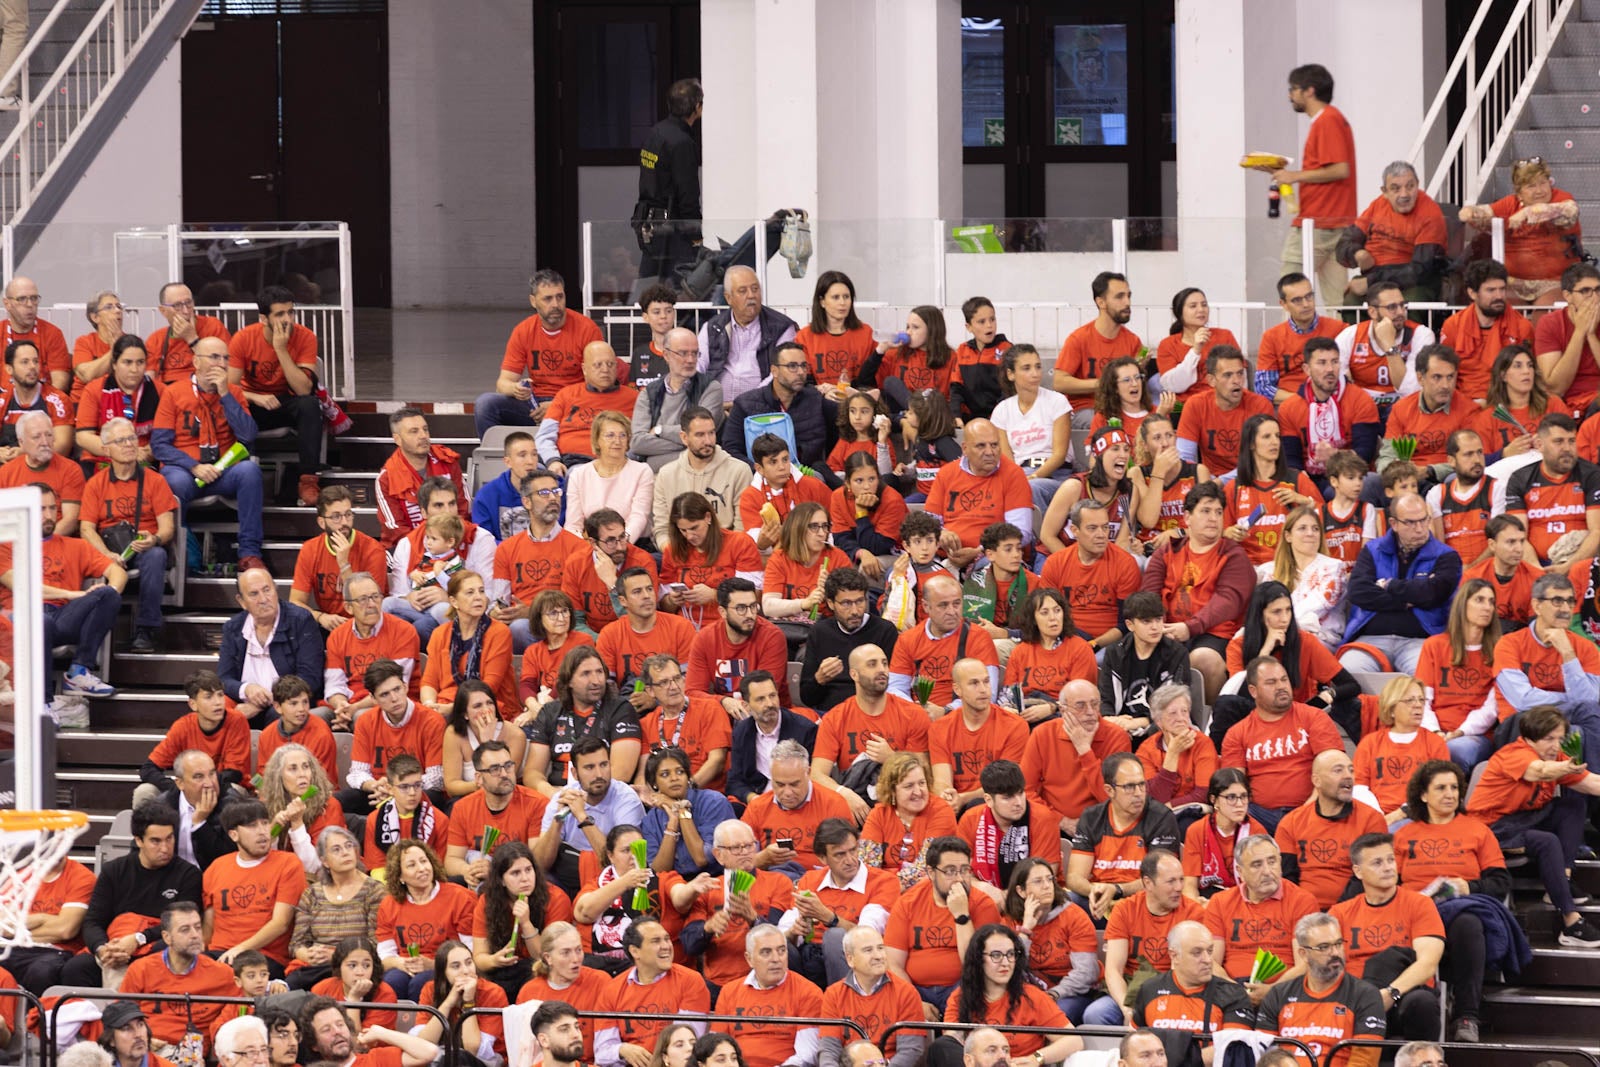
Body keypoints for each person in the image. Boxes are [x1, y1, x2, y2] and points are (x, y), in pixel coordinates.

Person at [1394, 761, 1510, 1042]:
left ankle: (1467, 1015)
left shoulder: (1477, 830)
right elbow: (1390, 882)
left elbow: (1501, 882)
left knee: (1468, 924)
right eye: (1441, 788)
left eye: (1455, 788)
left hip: (1461, 911)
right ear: (1423, 795)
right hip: (1413, 911)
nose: (1450, 794)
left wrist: (1469, 886)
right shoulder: (1404, 834)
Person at [1466, 704, 1600, 946]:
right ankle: (1571, 923)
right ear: (1529, 737)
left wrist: (1566, 768)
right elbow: (1539, 771)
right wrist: (1565, 768)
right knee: (1546, 841)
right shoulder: (1514, 754)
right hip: (1490, 827)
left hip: (1523, 818)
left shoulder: (1554, 757)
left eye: (1560, 739)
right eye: (1549, 739)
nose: (1556, 745)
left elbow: (1592, 783)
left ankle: (1563, 880)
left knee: (1573, 802)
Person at [57, 802, 202, 989]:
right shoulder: (114, 871)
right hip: (115, 943)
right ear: (139, 840)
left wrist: (138, 939)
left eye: (169, 839)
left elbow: (182, 924)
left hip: (154, 943)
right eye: (156, 841)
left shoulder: (188, 874)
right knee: (75, 968)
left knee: (162, 953)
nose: (165, 848)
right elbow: (93, 922)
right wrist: (103, 949)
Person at [1, 483, 121, 706]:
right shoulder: (6, 545)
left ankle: (78, 671)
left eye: (52, 509)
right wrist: (73, 594)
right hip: (18, 617)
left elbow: (117, 572)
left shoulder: (76, 546)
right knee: (41, 620)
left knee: (108, 594)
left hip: (61, 617)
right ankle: (44, 703)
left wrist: (109, 588)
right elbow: (23, 585)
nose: (48, 516)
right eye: (40, 509)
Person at [1328, 834, 1449, 1040]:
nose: (1388, 867)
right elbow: (1329, 966)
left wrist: (1389, 994)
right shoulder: (1339, 913)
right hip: (1354, 1000)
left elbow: (1428, 964)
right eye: (1377, 862)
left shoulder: (1419, 904)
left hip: (1403, 996)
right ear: (1358, 871)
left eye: (1390, 860)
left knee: (1422, 1002)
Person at [1142, 481, 1256, 700]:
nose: (1213, 518)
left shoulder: (1234, 555)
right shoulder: (1167, 551)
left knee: (1203, 659)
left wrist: (1189, 627)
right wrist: (1156, 627)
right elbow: (1149, 595)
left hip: (1214, 634)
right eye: (1205, 511)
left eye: (1218, 512)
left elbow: (1227, 602)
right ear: (1187, 518)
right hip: (1167, 628)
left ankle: (1212, 723)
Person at [74, 416, 176, 653]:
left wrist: (155, 539)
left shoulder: (156, 480)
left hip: (143, 548)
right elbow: (86, 528)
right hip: (107, 549)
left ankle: (146, 629)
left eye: (132, 438)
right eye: (121, 440)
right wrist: (106, 554)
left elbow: (167, 528)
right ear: (106, 449)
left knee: (156, 555)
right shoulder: (95, 484)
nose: (130, 444)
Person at [1260, 64, 1357, 307]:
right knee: (1336, 300)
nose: (1290, 95)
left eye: (1293, 89)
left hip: (1319, 220)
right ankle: (1341, 340)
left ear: (1309, 91)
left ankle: (1290, 342)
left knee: (1290, 287)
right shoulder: (1332, 120)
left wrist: (1293, 176)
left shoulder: (1327, 121)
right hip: (1334, 219)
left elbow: (1339, 169)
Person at [1219, 579, 1360, 742]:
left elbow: (1350, 685)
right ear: (1259, 615)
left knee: (1353, 706)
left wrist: (1328, 694)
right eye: (1276, 612)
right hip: (1254, 721)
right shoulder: (1237, 646)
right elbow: (1242, 695)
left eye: (1288, 610)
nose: (1285, 619)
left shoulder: (1305, 641)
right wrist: (1266, 651)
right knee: (1226, 705)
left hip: (1298, 722)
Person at [1339, 493, 1461, 676]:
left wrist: (1389, 585)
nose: (1420, 529)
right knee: (1349, 672)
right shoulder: (1373, 550)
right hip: (1370, 638)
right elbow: (1358, 592)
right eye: (1411, 523)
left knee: (1423, 675)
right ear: (1394, 524)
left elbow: (1433, 593)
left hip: (1421, 640)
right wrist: (1406, 601)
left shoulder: (1446, 556)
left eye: (1424, 520)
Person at [928, 924, 1083, 1067]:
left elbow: (1074, 1040)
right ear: (978, 959)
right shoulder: (961, 997)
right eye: (996, 955)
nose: (1006, 962)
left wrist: (1036, 1058)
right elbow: (952, 1044)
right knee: (941, 1046)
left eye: (1010, 954)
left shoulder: (1032, 996)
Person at [1221, 660, 1344, 834]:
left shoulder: (1314, 717)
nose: (1281, 686)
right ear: (1253, 691)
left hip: (1313, 807)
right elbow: (1235, 784)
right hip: (1259, 815)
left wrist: (1308, 810)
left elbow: (1334, 768)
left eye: (1284, 680)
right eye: (1271, 682)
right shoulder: (1237, 733)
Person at [811, 644, 931, 822]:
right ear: (854, 674)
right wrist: (844, 794)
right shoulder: (835, 718)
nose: (882, 669)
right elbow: (817, 774)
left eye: (884, 663)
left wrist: (892, 758)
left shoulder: (912, 714)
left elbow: (924, 773)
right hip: (856, 805)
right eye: (872, 664)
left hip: (903, 805)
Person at [477, 269, 604, 435]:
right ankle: (501, 459)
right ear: (533, 301)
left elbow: (598, 385)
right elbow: (503, 383)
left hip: (575, 404)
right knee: (485, 404)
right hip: (535, 405)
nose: (555, 305)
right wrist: (516, 389)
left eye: (560, 297)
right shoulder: (523, 331)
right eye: (547, 299)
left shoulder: (587, 329)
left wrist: (558, 405)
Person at [227, 285, 324, 504]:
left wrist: (281, 349)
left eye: (291, 312)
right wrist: (254, 397)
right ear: (264, 318)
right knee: (230, 408)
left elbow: (303, 389)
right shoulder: (243, 338)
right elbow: (230, 389)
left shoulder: (305, 337)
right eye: (280, 314)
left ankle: (308, 480)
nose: (287, 319)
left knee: (309, 404)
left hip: (286, 400)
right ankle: (235, 475)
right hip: (253, 402)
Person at [883, 835, 1001, 1013]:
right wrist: (914, 1002)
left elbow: (976, 966)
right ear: (931, 873)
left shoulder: (983, 905)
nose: (960, 879)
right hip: (915, 989)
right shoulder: (908, 902)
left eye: (965, 870)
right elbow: (893, 963)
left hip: (964, 988)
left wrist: (961, 915)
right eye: (950, 871)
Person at [1256, 912, 1386, 1067]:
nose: (1335, 953)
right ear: (1304, 954)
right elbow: (1265, 1057)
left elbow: (1364, 1062)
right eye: (1324, 947)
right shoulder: (1278, 995)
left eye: (1338, 944)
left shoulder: (1365, 995)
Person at [682, 819, 795, 993]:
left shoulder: (778, 882)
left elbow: (783, 939)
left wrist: (753, 918)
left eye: (750, 846)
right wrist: (708, 928)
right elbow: (689, 945)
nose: (745, 853)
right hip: (719, 983)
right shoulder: (707, 888)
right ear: (718, 855)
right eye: (736, 848)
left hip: (767, 979)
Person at [1491, 574, 1600, 755]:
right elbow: (1523, 700)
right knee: (1577, 729)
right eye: (1557, 601)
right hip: (1520, 724)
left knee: (1582, 724)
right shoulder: (1509, 644)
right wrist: (1570, 699)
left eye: (1570, 601)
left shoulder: (1585, 648)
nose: (1566, 609)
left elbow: (1590, 701)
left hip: (1566, 719)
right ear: (1537, 606)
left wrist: (1568, 654)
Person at [1202, 833, 1317, 1003]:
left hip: (1284, 990)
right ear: (1240, 871)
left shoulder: (1302, 901)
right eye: (1257, 865)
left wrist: (1272, 992)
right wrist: (1235, 992)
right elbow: (1210, 962)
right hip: (1232, 989)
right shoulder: (1220, 902)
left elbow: (1305, 964)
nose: (1267, 871)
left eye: (1272, 862)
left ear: (1280, 862)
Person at [784, 819, 898, 987]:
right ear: (823, 858)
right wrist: (794, 932)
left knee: (834, 936)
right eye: (839, 854)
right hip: (808, 957)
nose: (850, 860)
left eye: (853, 850)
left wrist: (829, 918)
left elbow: (867, 937)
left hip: (851, 958)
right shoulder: (810, 880)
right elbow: (783, 931)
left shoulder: (883, 882)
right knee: (778, 944)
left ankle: (843, 1003)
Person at [1067, 753, 1181, 920]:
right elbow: (1074, 877)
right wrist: (1097, 891)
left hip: (1143, 901)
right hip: (1098, 898)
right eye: (1129, 787)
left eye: (1142, 784)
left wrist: (1117, 890)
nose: (1138, 793)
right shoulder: (1092, 817)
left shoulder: (1161, 817)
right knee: (1064, 903)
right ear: (1109, 790)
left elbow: (1159, 879)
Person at [202, 800, 308, 975]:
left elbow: (281, 923)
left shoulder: (287, 863)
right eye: (252, 826)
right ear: (234, 835)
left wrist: (240, 949)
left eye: (265, 823)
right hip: (219, 953)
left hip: (264, 957)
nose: (262, 831)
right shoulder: (217, 867)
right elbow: (209, 926)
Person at [1462, 159, 1583, 310]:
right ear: (1519, 193)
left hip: (1556, 281)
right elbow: (1471, 214)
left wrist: (1526, 212)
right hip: (1513, 282)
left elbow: (1570, 210)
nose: (1539, 190)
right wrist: (1471, 213)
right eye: (1531, 186)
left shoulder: (1561, 199)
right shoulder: (1509, 204)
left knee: (1544, 314)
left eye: (1543, 183)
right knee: (1495, 306)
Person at [535, 736, 649, 896]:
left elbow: (622, 864)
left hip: (616, 879)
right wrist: (558, 820)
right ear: (574, 773)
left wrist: (582, 816)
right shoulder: (561, 799)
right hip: (569, 876)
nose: (599, 774)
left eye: (603, 765)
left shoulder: (626, 799)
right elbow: (540, 864)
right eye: (589, 767)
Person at [1133, 919, 1257, 1066]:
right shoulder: (1150, 989)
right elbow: (1133, 1043)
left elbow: (1231, 1051)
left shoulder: (1233, 994)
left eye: (1210, 951)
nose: (1208, 960)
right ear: (1174, 956)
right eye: (1197, 953)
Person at [120, 902, 239, 1056]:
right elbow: (121, 1017)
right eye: (185, 930)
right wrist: (143, 1039)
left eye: (197, 927)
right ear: (167, 937)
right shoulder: (141, 969)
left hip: (191, 1054)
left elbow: (245, 1007)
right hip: (147, 1051)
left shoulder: (223, 974)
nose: (195, 934)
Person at [1274, 750, 1387, 908]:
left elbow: (1369, 876)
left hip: (1355, 910)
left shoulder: (1371, 820)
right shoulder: (1291, 822)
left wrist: (1337, 913)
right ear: (1316, 780)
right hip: (1305, 912)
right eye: (1338, 770)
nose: (1348, 776)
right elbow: (1287, 878)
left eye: (1351, 770)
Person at [527, 642, 643, 792]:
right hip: (558, 795)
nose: (596, 681)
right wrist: (553, 794)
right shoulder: (550, 711)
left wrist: (582, 797)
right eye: (586, 674)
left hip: (604, 795)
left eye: (600, 672)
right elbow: (532, 773)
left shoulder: (620, 709)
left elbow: (622, 772)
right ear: (569, 681)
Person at [490, 469, 586, 648]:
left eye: (556, 491)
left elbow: (579, 606)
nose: (552, 498)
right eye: (543, 493)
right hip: (518, 620)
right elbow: (500, 598)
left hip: (562, 621)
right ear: (526, 502)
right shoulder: (507, 548)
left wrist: (534, 613)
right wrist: (498, 611)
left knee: (519, 628)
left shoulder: (579, 547)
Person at [1022, 678, 1131, 834]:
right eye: (1080, 705)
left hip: (1102, 824)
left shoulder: (1117, 737)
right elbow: (1025, 791)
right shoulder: (1043, 733)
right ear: (1063, 710)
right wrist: (1060, 821)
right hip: (1051, 822)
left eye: (1095, 704)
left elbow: (1113, 798)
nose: (1090, 712)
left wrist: (1084, 750)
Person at [1416, 578, 1502, 769]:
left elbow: (1491, 710)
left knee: (1455, 750)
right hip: (1433, 730)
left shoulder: (1500, 650)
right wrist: (1436, 732)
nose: (1487, 607)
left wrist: (1460, 732)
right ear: (1463, 605)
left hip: (1474, 734)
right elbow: (1422, 700)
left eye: (1491, 602)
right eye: (1479, 600)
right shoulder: (1434, 646)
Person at [924, 419, 1034, 568]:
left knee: (984, 568)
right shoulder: (946, 473)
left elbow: (1020, 532)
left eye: (994, 445)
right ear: (965, 448)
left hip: (992, 558)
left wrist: (981, 551)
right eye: (981, 446)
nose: (990, 452)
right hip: (945, 556)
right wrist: (940, 534)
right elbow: (928, 523)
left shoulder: (1014, 474)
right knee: (900, 572)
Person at [710, 923, 823, 1067]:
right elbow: (714, 1047)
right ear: (749, 959)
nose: (776, 959)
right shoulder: (729, 991)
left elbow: (807, 1055)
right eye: (766, 952)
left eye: (781, 951)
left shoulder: (809, 992)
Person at [1040, 499, 1142, 658]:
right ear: (1075, 530)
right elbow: (1046, 615)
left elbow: (1126, 625)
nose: (1101, 535)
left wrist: (1094, 644)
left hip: (1106, 644)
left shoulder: (1125, 564)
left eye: (1105, 527)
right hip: (1064, 636)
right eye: (1092, 528)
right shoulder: (1055, 563)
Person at [600, 918, 712, 1062]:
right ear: (635, 951)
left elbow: (686, 1047)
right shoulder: (611, 990)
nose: (666, 946)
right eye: (656, 941)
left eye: (667, 939)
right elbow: (602, 1052)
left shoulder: (691, 981)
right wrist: (622, 1050)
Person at [344, 658, 446, 816]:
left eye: (397, 689)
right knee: (339, 801)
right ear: (373, 699)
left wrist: (398, 789)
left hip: (417, 793)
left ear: (405, 687)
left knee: (433, 797)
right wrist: (374, 785)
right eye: (384, 694)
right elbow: (357, 772)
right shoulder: (365, 721)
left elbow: (436, 779)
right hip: (380, 791)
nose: (394, 698)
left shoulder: (432, 721)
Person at [376, 840, 476, 999]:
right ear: (400, 876)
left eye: (424, 861)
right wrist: (400, 963)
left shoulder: (460, 897)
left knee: (422, 983)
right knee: (391, 983)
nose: (422, 868)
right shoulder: (389, 905)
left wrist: (435, 964)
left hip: (449, 967)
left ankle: (423, 1024)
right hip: (405, 967)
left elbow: (471, 950)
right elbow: (385, 955)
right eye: (411, 865)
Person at [887, 572, 1000, 714]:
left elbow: (988, 695)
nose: (952, 611)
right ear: (926, 606)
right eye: (943, 605)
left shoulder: (979, 638)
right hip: (915, 716)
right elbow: (895, 688)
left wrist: (946, 711)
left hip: (962, 718)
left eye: (956, 604)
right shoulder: (908, 639)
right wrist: (917, 711)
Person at [1336, 160, 1449, 302]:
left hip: (1413, 282)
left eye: (1410, 186)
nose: (1404, 194)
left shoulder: (1430, 213)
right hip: (1374, 275)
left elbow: (1421, 270)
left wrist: (1370, 281)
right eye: (1396, 188)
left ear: (1418, 184)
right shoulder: (1377, 205)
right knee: (1352, 301)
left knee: (1406, 305)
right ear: (1385, 192)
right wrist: (1357, 254)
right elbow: (1343, 245)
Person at [723, 339, 839, 476]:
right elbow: (731, 449)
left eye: (804, 366)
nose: (801, 372)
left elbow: (841, 434)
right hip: (761, 479)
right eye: (792, 366)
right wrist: (761, 472)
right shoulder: (745, 404)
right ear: (774, 371)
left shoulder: (817, 400)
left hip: (808, 479)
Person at [444, 740, 550, 890]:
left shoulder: (536, 803)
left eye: (508, 766)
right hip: (479, 878)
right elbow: (452, 859)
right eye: (495, 769)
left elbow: (536, 861)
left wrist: (495, 871)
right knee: (455, 882)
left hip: (520, 878)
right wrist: (467, 870)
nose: (504, 774)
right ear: (479, 778)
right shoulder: (463, 807)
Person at [1102, 850, 1205, 1001]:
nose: (1179, 887)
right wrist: (1126, 1007)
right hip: (1131, 986)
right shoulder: (1124, 910)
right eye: (1171, 881)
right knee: (1097, 1013)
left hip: (1173, 989)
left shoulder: (1193, 912)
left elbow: (1188, 972)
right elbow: (1113, 970)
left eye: (1181, 880)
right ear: (1148, 883)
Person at [475, 840, 574, 996]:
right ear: (501, 880)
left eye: (529, 870)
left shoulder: (556, 898)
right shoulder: (487, 902)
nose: (525, 878)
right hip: (502, 972)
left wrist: (526, 923)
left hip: (542, 972)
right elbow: (480, 957)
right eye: (515, 873)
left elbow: (548, 959)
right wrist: (495, 960)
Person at [325, 573, 422, 731]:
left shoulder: (403, 631)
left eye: (375, 597)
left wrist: (354, 708)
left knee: (362, 718)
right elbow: (334, 684)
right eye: (363, 599)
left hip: (391, 704)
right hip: (350, 704)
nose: (371, 604)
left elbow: (394, 688)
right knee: (316, 718)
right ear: (348, 607)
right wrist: (341, 706)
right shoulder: (337, 636)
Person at [956, 758, 1064, 900]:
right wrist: (983, 888)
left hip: (1035, 900)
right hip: (985, 899)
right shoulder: (970, 819)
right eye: (1008, 798)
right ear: (988, 800)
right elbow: (959, 872)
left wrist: (1003, 898)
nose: (1018, 803)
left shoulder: (1043, 819)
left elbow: (1044, 879)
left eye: (1020, 793)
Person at [1278, 336, 1381, 484]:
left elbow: (1365, 454)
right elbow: (1291, 460)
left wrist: (1335, 456)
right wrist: (1305, 487)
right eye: (1322, 363)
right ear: (1307, 369)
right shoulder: (1289, 408)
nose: (1330, 369)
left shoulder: (1361, 400)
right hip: (1308, 480)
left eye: (1335, 362)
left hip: (1352, 477)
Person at [819, 926, 927, 1067]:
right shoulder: (833, 995)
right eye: (868, 950)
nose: (878, 956)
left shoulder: (906, 992)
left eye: (881, 948)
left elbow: (911, 1050)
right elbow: (829, 1050)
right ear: (850, 959)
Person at [1222, 413, 1320, 566]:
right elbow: (1220, 532)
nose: (1275, 442)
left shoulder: (1297, 480)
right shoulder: (1233, 488)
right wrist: (1228, 533)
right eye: (1267, 436)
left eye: (1277, 436)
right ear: (1251, 444)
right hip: (1247, 567)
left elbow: (1325, 519)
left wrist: (1305, 502)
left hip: (1289, 564)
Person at [136, 672, 251, 803]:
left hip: (221, 786)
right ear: (193, 704)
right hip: (189, 788)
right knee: (144, 791)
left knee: (233, 790)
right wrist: (176, 787)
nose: (218, 702)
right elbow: (148, 769)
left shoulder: (237, 720)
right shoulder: (182, 726)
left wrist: (199, 786)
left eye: (220, 695)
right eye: (209, 697)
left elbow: (234, 774)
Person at [742, 738, 852, 875]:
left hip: (820, 880)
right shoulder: (758, 807)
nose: (787, 793)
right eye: (780, 785)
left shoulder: (834, 804)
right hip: (772, 879)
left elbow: (847, 860)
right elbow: (736, 865)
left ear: (809, 773)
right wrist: (761, 859)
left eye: (794, 784)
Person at [1505, 413, 1600, 570]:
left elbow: (1597, 532)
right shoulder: (1520, 479)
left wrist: (1568, 567)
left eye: (1571, 441)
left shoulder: (1592, 475)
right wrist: (1537, 570)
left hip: (1581, 564)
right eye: (1558, 442)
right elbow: (1518, 535)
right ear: (1540, 445)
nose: (1567, 448)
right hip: (1534, 565)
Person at [931, 659, 1029, 810]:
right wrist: (948, 797)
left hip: (997, 806)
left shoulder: (1015, 725)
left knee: (976, 805)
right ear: (957, 689)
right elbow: (941, 780)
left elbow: (1004, 784)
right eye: (974, 683)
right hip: (956, 805)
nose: (983, 689)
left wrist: (963, 798)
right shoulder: (940, 728)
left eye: (986, 681)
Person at [416, 570, 516, 717]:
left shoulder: (499, 632)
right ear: (454, 601)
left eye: (481, 591)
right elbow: (429, 682)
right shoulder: (440, 634)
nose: (478, 597)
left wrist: (453, 709)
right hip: (444, 704)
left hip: (489, 707)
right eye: (470, 593)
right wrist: (430, 706)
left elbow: (490, 686)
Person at [634, 77, 703, 289]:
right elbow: (688, 195)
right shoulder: (681, 142)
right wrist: (696, 235)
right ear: (696, 107)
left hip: (648, 223)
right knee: (682, 291)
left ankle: (643, 322)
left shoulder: (656, 133)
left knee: (649, 288)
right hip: (673, 229)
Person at [800, 567, 898, 714]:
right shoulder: (820, 632)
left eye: (860, 601)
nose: (855, 611)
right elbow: (807, 697)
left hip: (872, 711)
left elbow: (893, 688)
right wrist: (819, 679)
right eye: (846, 603)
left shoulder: (885, 631)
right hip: (829, 714)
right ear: (831, 603)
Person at [1352, 677, 1449, 823]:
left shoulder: (1435, 743)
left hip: (1417, 815)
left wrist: (1399, 814)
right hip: (1375, 816)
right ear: (1391, 708)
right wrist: (1379, 819)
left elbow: (1437, 788)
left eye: (1421, 700)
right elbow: (1359, 788)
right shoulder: (1369, 743)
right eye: (1410, 700)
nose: (1418, 706)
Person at [290, 485, 387, 630]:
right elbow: (295, 602)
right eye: (336, 517)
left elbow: (367, 605)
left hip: (366, 624)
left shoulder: (373, 550)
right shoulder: (310, 549)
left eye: (348, 514)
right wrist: (321, 617)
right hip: (328, 622)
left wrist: (344, 564)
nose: (344, 522)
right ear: (322, 522)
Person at [700, 263, 799, 404]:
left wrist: (744, 404)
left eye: (755, 289)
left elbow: (780, 373)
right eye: (742, 291)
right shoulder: (712, 328)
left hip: (762, 406)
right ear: (728, 298)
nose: (751, 295)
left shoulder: (781, 327)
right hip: (717, 409)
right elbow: (698, 368)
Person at [1053, 271, 1142, 427]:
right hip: (1086, 409)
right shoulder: (1079, 338)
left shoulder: (1133, 341)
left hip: (1122, 407)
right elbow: (1059, 382)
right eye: (1119, 297)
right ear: (1101, 302)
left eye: (1129, 296)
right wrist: (1103, 383)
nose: (1127, 302)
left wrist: (1139, 369)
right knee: (1105, 422)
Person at [652, 407, 753, 544]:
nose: (708, 441)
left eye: (711, 433)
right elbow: (662, 529)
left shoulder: (739, 471)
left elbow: (741, 529)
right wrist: (673, 553)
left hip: (726, 551)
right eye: (700, 435)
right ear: (684, 437)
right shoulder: (666, 475)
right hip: (681, 551)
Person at [858, 752, 959, 888]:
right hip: (881, 893)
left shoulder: (941, 811)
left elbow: (926, 869)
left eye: (922, 783)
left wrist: (885, 885)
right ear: (892, 790)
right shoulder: (878, 814)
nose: (918, 791)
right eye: (909, 786)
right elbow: (867, 866)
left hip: (925, 892)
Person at [376, 406, 470, 549]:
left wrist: (447, 543)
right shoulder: (387, 478)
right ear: (397, 439)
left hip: (452, 540)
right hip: (408, 548)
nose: (423, 436)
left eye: (425, 429)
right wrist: (431, 548)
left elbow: (464, 508)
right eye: (414, 431)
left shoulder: (448, 461)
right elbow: (395, 529)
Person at [991, 343, 1071, 510]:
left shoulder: (1057, 402)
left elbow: (1059, 455)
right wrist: (1020, 480)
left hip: (1057, 475)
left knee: (1030, 489)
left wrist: (1032, 478)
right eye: (1026, 368)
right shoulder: (1001, 411)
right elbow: (1008, 461)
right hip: (1021, 474)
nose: (1035, 373)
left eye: (1038, 367)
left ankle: (1038, 536)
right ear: (1010, 374)